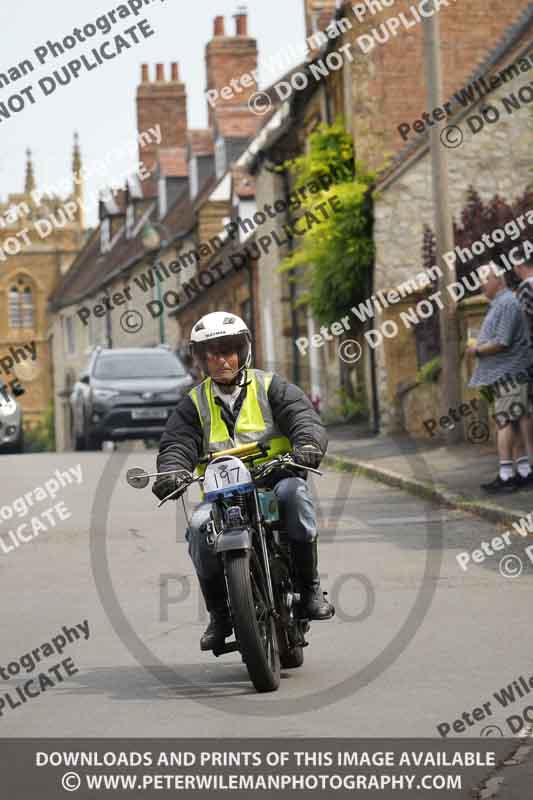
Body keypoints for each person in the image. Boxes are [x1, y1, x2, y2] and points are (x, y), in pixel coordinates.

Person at [153, 311, 335, 650]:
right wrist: (172, 472)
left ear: (243, 351)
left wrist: (307, 445)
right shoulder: (193, 404)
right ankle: (220, 615)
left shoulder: (271, 387)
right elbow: (177, 444)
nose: (222, 359)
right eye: (213, 353)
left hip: (275, 478)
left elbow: (302, 418)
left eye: (229, 349)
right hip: (223, 495)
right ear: (202, 358)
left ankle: (310, 591)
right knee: (197, 526)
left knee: (295, 496)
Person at [467, 264, 533, 494]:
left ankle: (506, 476)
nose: (481, 284)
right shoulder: (502, 303)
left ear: (498, 279)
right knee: (513, 421)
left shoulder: (506, 303)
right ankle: (523, 472)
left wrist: (477, 350)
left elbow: (502, 342)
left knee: (504, 422)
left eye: (485, 279)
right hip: (507, 373)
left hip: (509, 373)